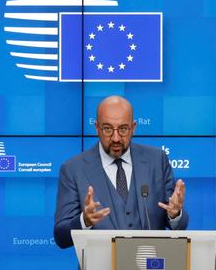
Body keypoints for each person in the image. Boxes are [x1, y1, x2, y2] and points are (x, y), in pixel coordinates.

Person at [54, 96, 188, 248]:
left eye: (123, 129)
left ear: (133, 127)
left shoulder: (157, 160)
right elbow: (61, 237)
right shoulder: (73, 169)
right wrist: (84, 221)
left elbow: (178, 225)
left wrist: (175, 214)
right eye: (108, 129)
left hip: (151, 267)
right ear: (97, 127)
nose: (116, 138)